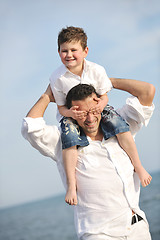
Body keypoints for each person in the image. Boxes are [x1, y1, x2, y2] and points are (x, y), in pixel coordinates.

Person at [22, 78, 155, 240]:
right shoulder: (62, 141)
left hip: (138, 227)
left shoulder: (120, 125)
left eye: (93, 111)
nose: (90, 119)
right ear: (71, 113)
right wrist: (47, 96)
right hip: (99, 234)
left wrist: (107, 82)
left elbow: (147, 92)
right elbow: (30, 128)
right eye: (83, 113)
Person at [49, 26, 152, 205]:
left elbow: (104, 96)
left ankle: (139, 166)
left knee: (120, 127)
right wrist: (70, 113)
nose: (69, 55)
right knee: (69, 141)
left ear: (85, 51)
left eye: (74, 50)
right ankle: (72, 186)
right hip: (72, 115)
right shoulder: (57, 78)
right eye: (64, 51)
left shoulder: (96, 70)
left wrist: (99, 106)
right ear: (58, 52)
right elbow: (60, 108)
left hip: (98, 108)